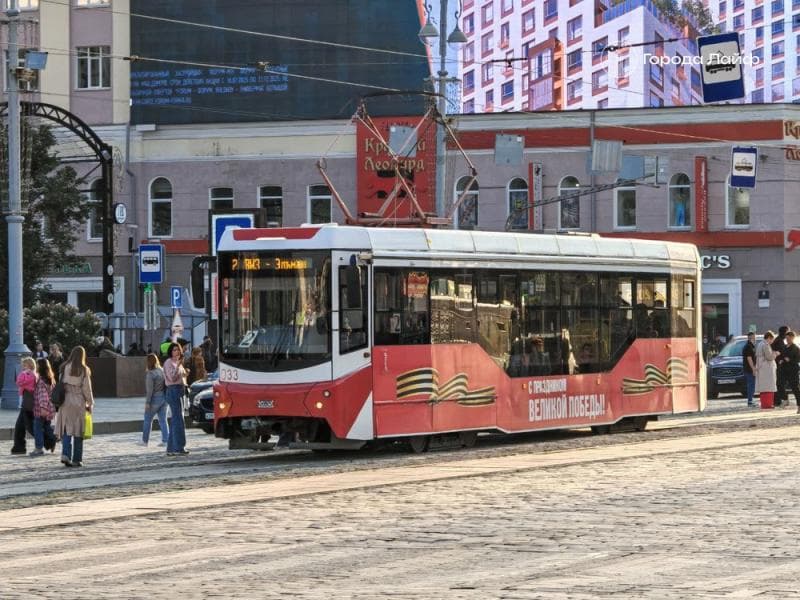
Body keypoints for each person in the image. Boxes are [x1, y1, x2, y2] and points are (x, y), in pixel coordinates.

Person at [55, 345, 94, 467]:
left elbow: (60, 383)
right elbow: (87, 388)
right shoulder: (84, 369)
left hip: (66, 401)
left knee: (67, 429)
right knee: (78, 430)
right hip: (78, 401)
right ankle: (77, 459)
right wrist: (90, 403)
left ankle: (65, 454)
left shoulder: (64, 367)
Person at [163, 342, 189, 456]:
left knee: (176, 420)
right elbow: (172, 378)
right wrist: (178, 366)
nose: (177, 352)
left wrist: (185, 373)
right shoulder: (169, 362)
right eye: (174, 350)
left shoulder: (178, 362)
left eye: (178, 349)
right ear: (170, 352)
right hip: (173, 390)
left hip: (179, 390)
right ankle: (179, 447)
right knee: (178, 420)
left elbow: (181, 377)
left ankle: (171, 448)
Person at [140, 353, 169, 447]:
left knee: (147, 419)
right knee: (163, 420)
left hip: (154, 399)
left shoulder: (150, 374)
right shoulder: (162, 370)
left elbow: (150, 390)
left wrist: (147, 402)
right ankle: (166, 440)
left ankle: (145, 441)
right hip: (164, 398)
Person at [10, 357, 37, 455]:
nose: (23, 367)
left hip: (28, 403)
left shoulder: (32, 374)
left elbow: (21, 382)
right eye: (23, 365)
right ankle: (19, 447)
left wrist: (23, 378)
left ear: (30, 365)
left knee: (30, 426)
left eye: (25, 365)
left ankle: (49, 439)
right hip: (26, 402)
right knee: (20, 426)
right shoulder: (29, 374)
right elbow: (20, 383)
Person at [30, 358, 57, 456]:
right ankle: (54, 438)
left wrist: (43, 408)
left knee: (37, 428)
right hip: (50, 408)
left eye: (37, 365)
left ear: (40, 367)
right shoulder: (51, 379)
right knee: (46, 426)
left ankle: (39, 448)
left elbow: (43, 396)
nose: (36, 366)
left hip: (41, 409)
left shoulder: (41, 381)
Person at [756, 330, 779, 409]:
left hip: (761, 367)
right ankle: (768, 404)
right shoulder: (765, 344)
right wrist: (775, 353)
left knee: (763, 387)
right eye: (772, 339)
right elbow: (769, 357)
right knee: (768, 386)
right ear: (769, 338)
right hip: (767, 368)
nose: (772, 341)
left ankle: (764, 404)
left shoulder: (760, 344)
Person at [781, 330, 800, 410]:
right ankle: (785, 399)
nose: (787, 340)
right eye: (786, 338)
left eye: (788, 338)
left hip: (793, 371)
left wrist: (790, 360)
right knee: (780, 384)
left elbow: (798, 359)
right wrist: (781, 360)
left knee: (795, 388)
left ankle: (799, 405)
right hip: (784, 370)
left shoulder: (796, 348)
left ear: (792, 338)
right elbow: (782, 356)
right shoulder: (784, 347)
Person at [772, 325, 789, 407]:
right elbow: (782, 353)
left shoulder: (779, 340)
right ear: (784, 333)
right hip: (778, 366)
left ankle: (778, 400)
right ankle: (779, 400)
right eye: (787, 332)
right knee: (779, 383)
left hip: (778, 365)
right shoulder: (779, 341)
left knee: (779, 383)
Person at [742, 331, 757, 407]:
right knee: (751, 385)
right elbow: (749, 358)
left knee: (752, 385)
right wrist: (753, 369)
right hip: (749, 369)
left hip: (749, 368)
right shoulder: (748, 346)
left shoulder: (751, 346)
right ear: (751, 337)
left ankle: (751, 400)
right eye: (754, 337)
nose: (755, 339)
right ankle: (750, 401)